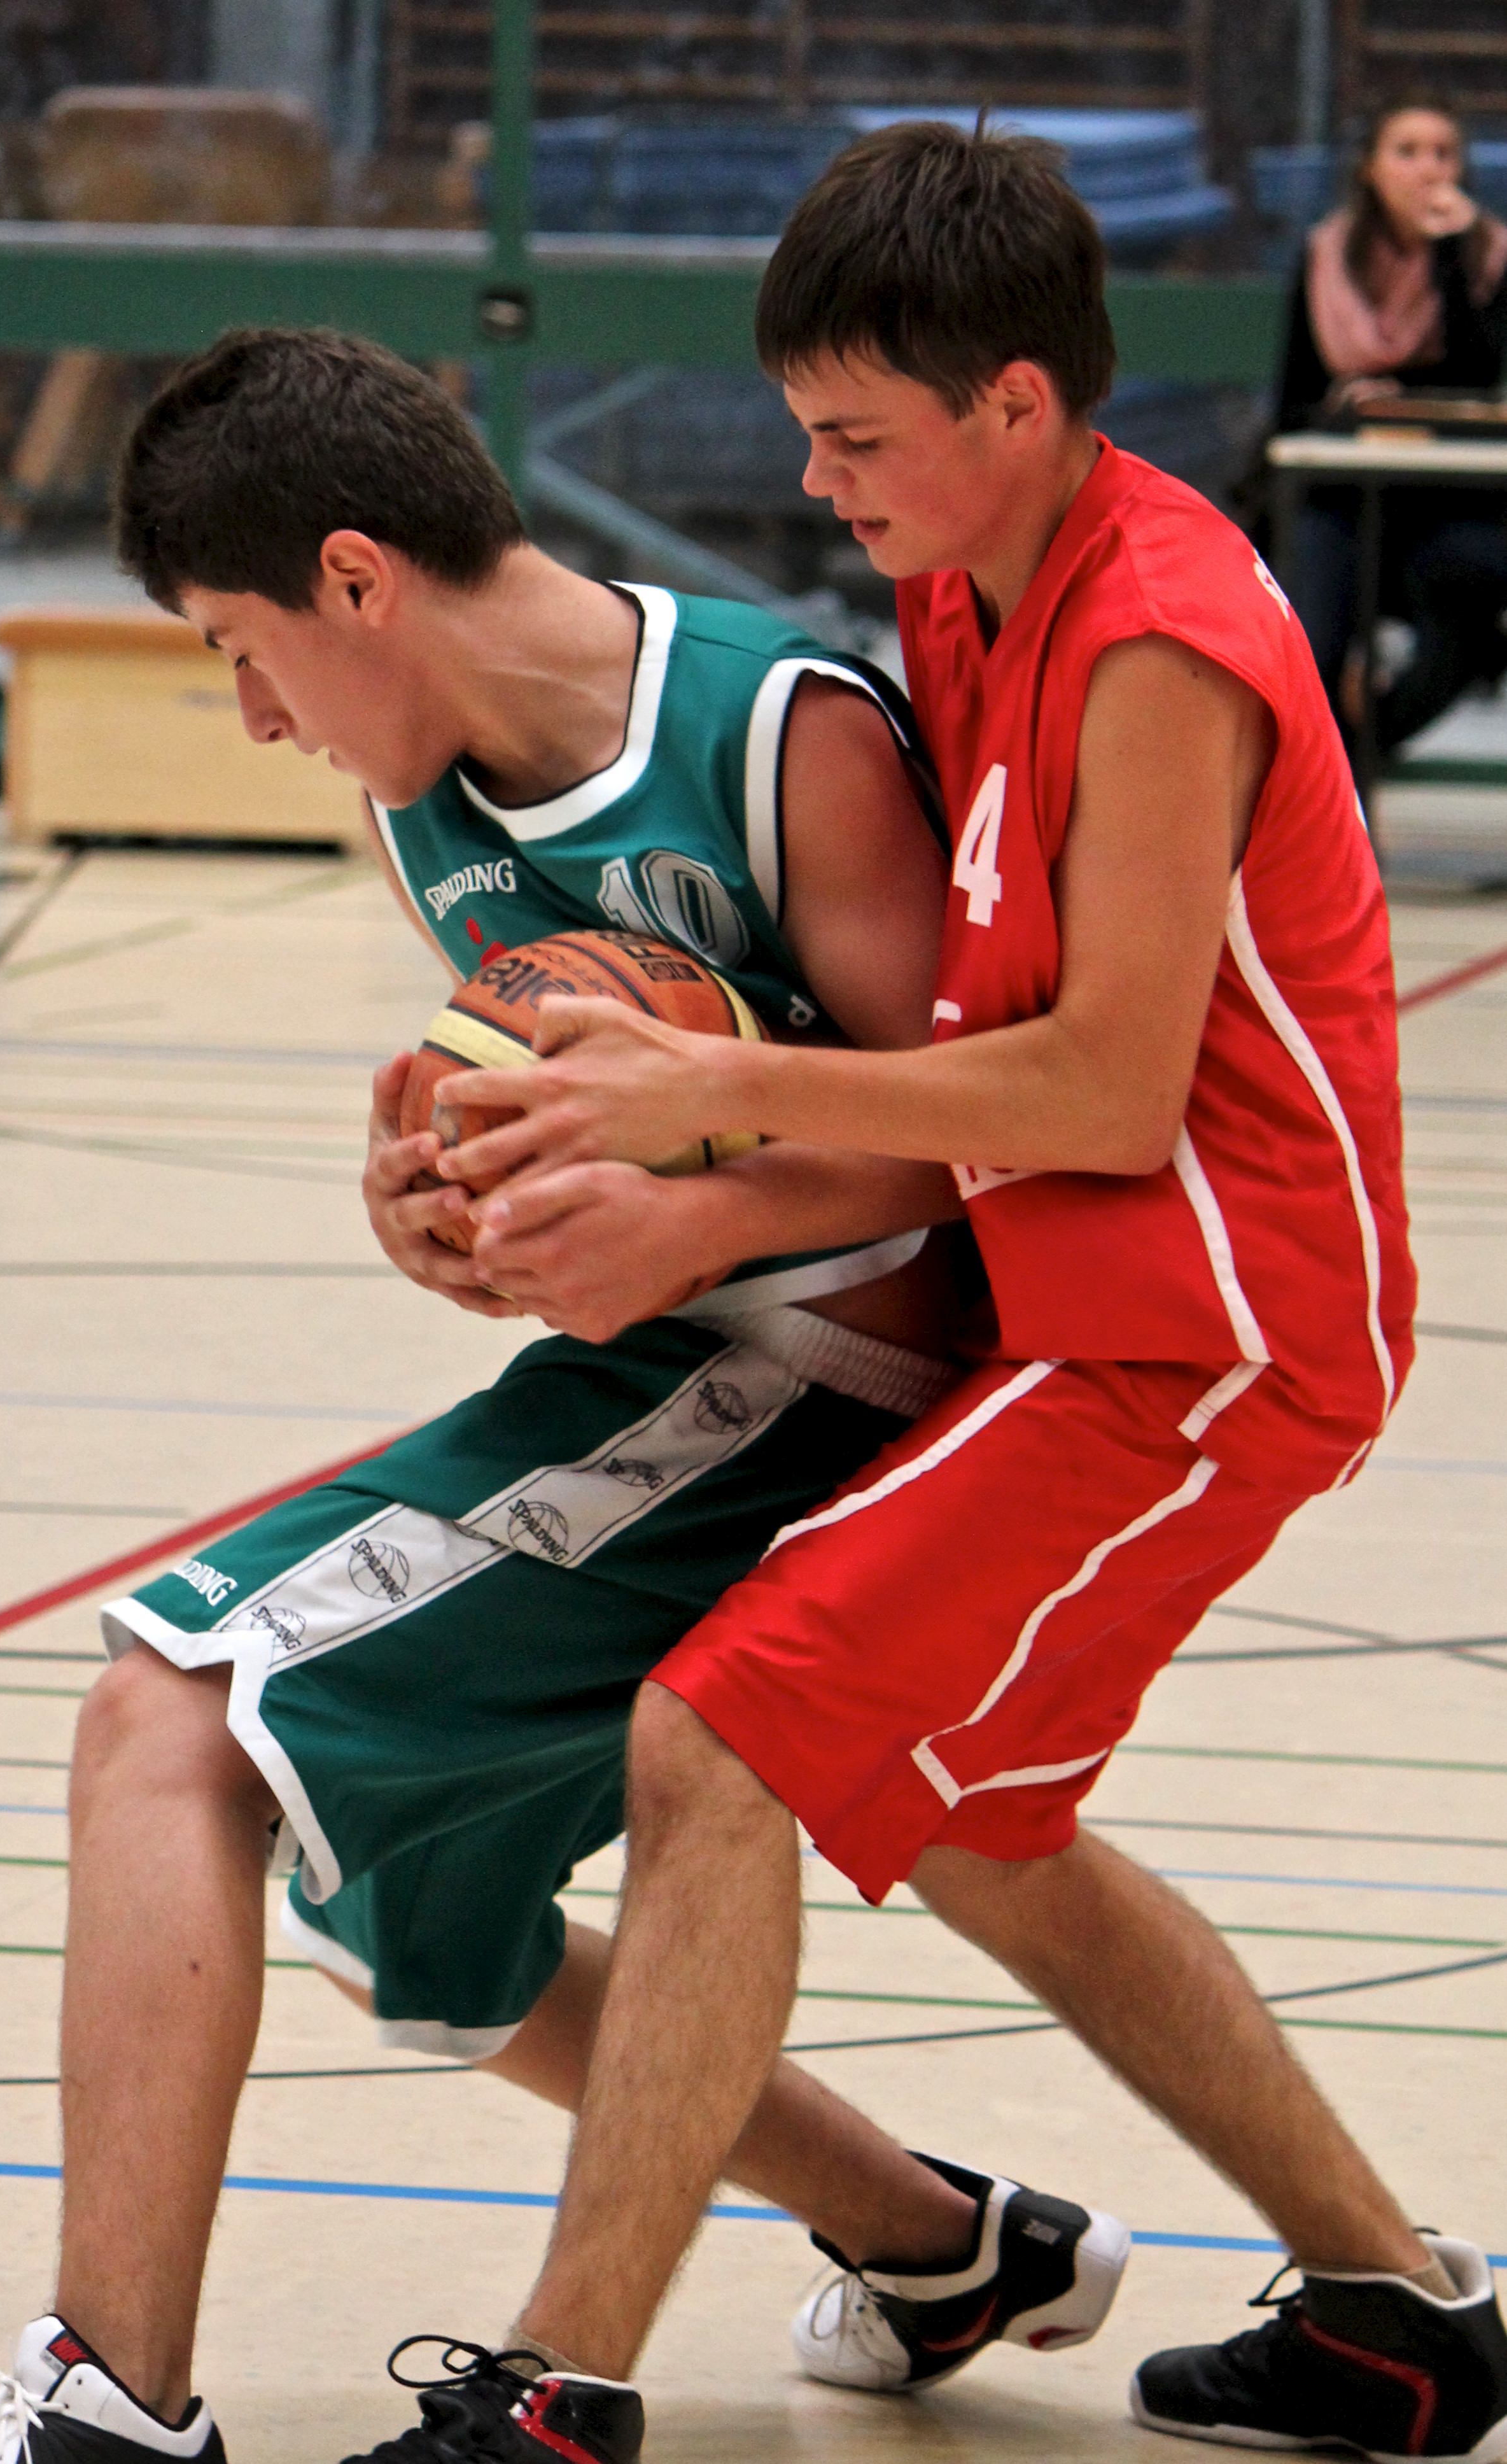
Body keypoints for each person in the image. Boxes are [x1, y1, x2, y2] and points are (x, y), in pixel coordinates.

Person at [0, 328, 1132, 2464]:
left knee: (169, 1719)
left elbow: (980, 1150)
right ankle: (941, 2243)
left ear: (357, 578)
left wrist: (705, 1212)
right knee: (407, 1903)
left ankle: (108, 2404)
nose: (253, 713)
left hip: (849, 1382)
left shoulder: (778, 730)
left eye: (242, 649)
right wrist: (442, 1208)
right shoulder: (419, 806)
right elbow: (534, 1123)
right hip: (673, 1367)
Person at [416, 123, 1507, 2462]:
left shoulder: (1157, 631)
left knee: (716, 1737)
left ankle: (556, 2395)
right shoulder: (966, 583)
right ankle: (1401, 2319)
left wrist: (714, 1099)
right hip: (1089, 1301)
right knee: (984, 1821)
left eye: (853, 437)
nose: (816, 482)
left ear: (1015, 403)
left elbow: (1106, 1087)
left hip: (1209, 1318)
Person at [1273, 93, 1507, 752]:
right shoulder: (1327, 257)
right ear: (1371, 168)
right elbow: (1291, 402)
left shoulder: (1486, 255)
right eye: (1407, 152)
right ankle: (1326, 771)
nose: (1428, 169)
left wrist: (1449, 255)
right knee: (1310, 645)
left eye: (1444, 153)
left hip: (1445, 504)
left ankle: (1353, 759)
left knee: (1464, 631)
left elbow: (1478, 378)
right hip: (1343, 495)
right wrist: (1348, 405)